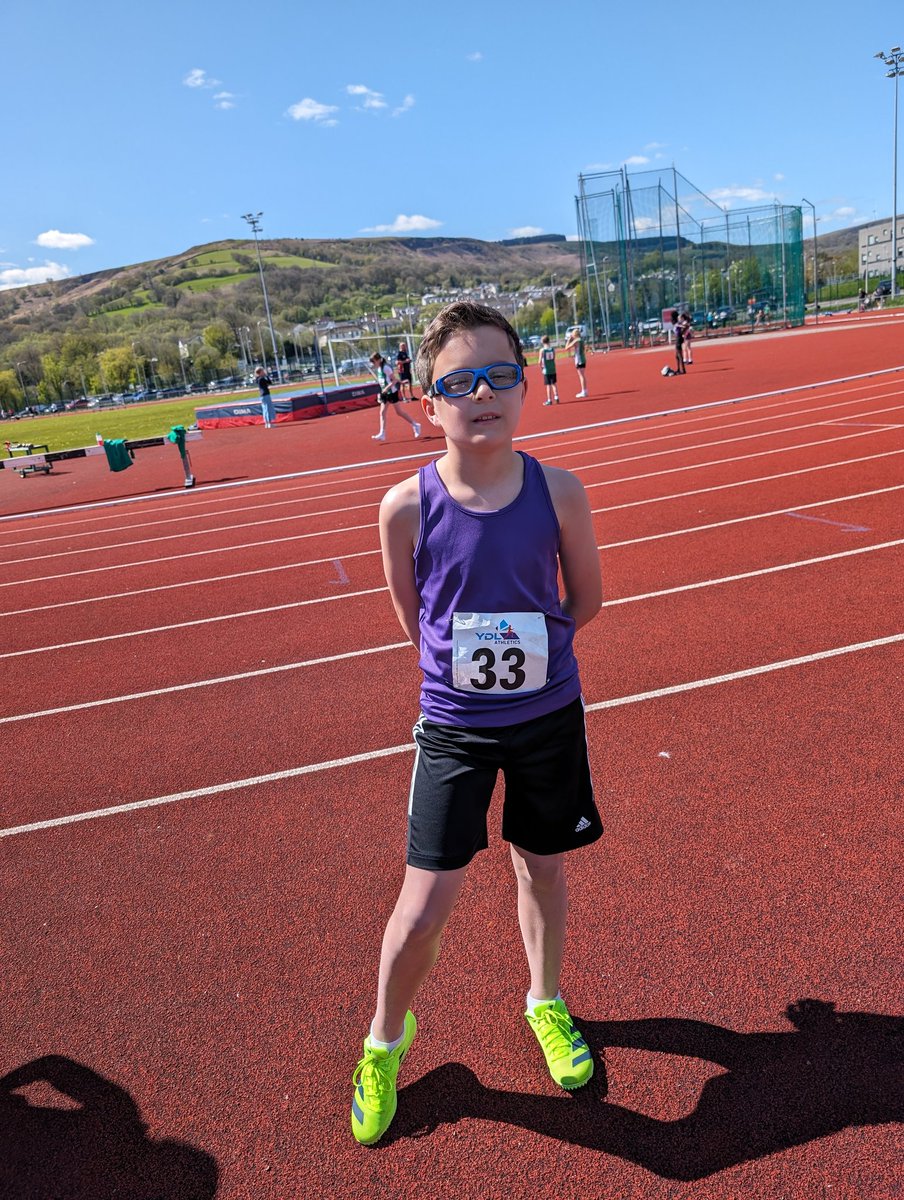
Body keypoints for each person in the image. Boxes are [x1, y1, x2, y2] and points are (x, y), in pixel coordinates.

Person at [349, 300, 604, 1146]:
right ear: (429, 401)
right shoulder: (404, 506)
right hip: (454, 728)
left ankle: (546, 1001)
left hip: (547, 720)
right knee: (425, 903)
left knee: (542, 869)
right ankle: (384, 1042)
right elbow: (411, 615)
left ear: (524, 384)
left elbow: (586, 600)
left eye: (500, 374)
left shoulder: (559, 491)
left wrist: (535, 658)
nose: (483, 393)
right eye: (460, 381)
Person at [370, 352, 421, 443]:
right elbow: (383, 382)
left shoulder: (386, 368)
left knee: (399, 412)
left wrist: (386, 389)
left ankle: (415, 425)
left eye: (373, 362)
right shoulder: (378, 369)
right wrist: (382, 392)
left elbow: (394, 380)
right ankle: (382, 433)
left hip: (392, 392)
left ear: (378, 360)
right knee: (382, 412)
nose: (372, 364)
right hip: (385, 394)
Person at [564, 327, 588, 397]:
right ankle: (585, 390)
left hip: (579, 360)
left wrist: (569, 340)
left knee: (581, 376)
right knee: (583, 375)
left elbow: (566, 348)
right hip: (583, 359)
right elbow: (584, 349)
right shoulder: (581, 340)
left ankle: (583, 391)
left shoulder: (576, 341)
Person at [538, 335, 559, 405]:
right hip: (553, 368)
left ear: (542, 342)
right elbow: (554, 358)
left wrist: (541, 368)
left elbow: (539, 361)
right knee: (554, 384)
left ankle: (549, 400)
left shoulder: (542, 350)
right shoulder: (552, 349)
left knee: (548, 385)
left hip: (546, 370)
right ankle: (556, 397)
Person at [670, 310, 686, 375]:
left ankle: (683, 369)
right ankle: (679, 369)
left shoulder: (677, 323)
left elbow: (684, 326)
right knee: (676, 356)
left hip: (678, 339)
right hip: (678, 338)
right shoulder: (676, 323)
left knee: (679, 355)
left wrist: (681, 333)